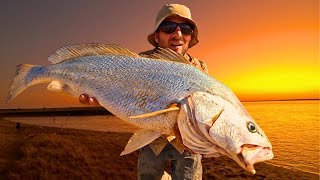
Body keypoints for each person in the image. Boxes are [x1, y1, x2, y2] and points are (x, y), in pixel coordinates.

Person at [79, 4, 208, 179]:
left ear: (190, 35)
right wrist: (98, 91)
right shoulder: (140, 62)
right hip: (151, 140)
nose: (178, 34)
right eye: (168, 27)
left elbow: (205, 110)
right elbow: (120, 89)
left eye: (185, 28)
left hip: (187, 144)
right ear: (157, 35)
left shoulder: (200, 68)